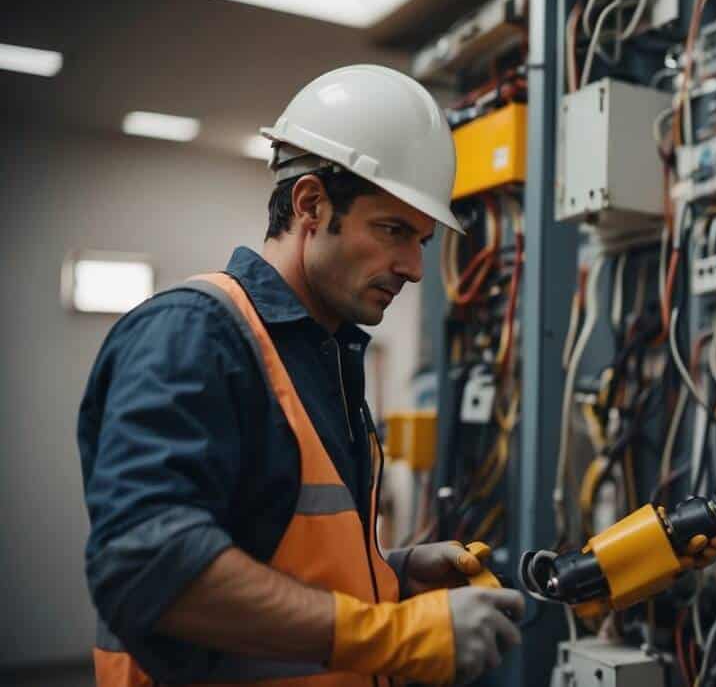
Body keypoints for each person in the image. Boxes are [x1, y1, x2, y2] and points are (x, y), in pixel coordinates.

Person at [78, 64, 522, 686]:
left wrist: (393, 575)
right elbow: (147, 564)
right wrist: (392, 635)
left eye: (421, 238)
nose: (415, 267)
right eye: (394, 230)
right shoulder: (196, 334)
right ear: (310, 204)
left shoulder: (325, 354)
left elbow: (279, 555)